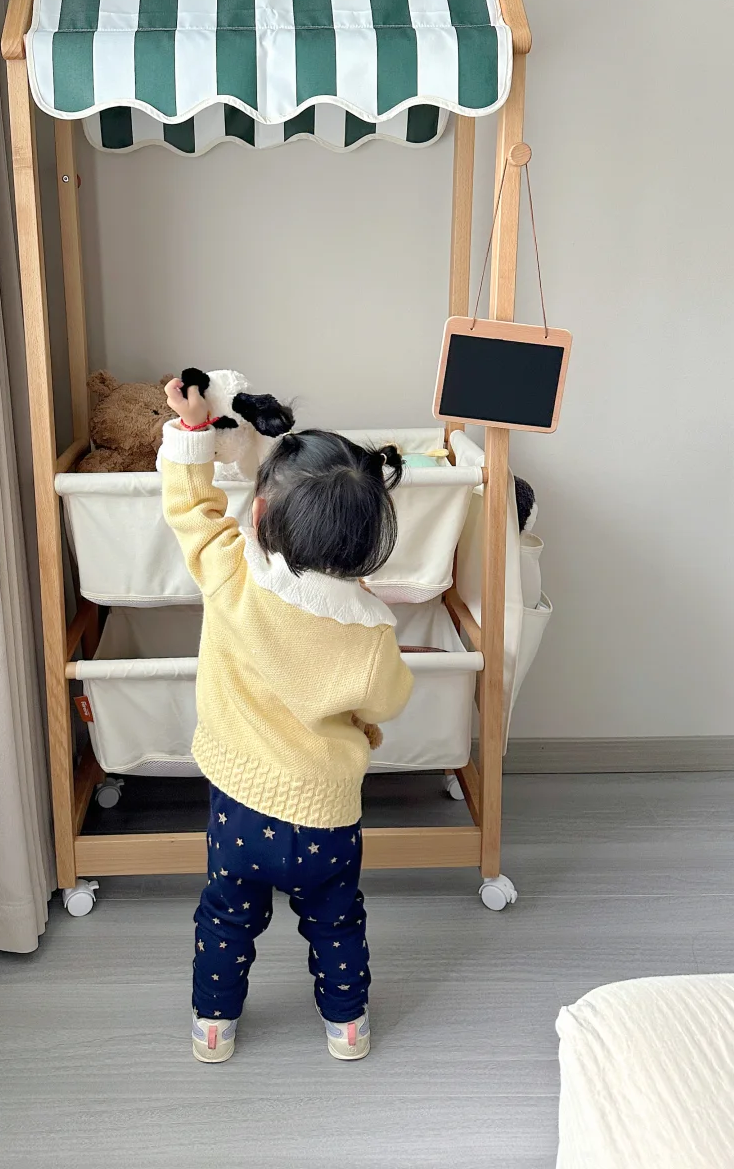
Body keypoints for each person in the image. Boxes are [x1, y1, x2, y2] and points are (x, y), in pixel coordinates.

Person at [160, 377, 414, 1063]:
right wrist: (362, 720)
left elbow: (190, 510)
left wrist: (193, 433)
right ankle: (347, 1026)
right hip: (327, 815)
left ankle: (213, 1026)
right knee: (336, 921)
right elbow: (387, 701)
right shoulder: (370, 631)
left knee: (226, 917)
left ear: (261, 510)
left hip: (240, 809)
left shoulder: (233, 575)